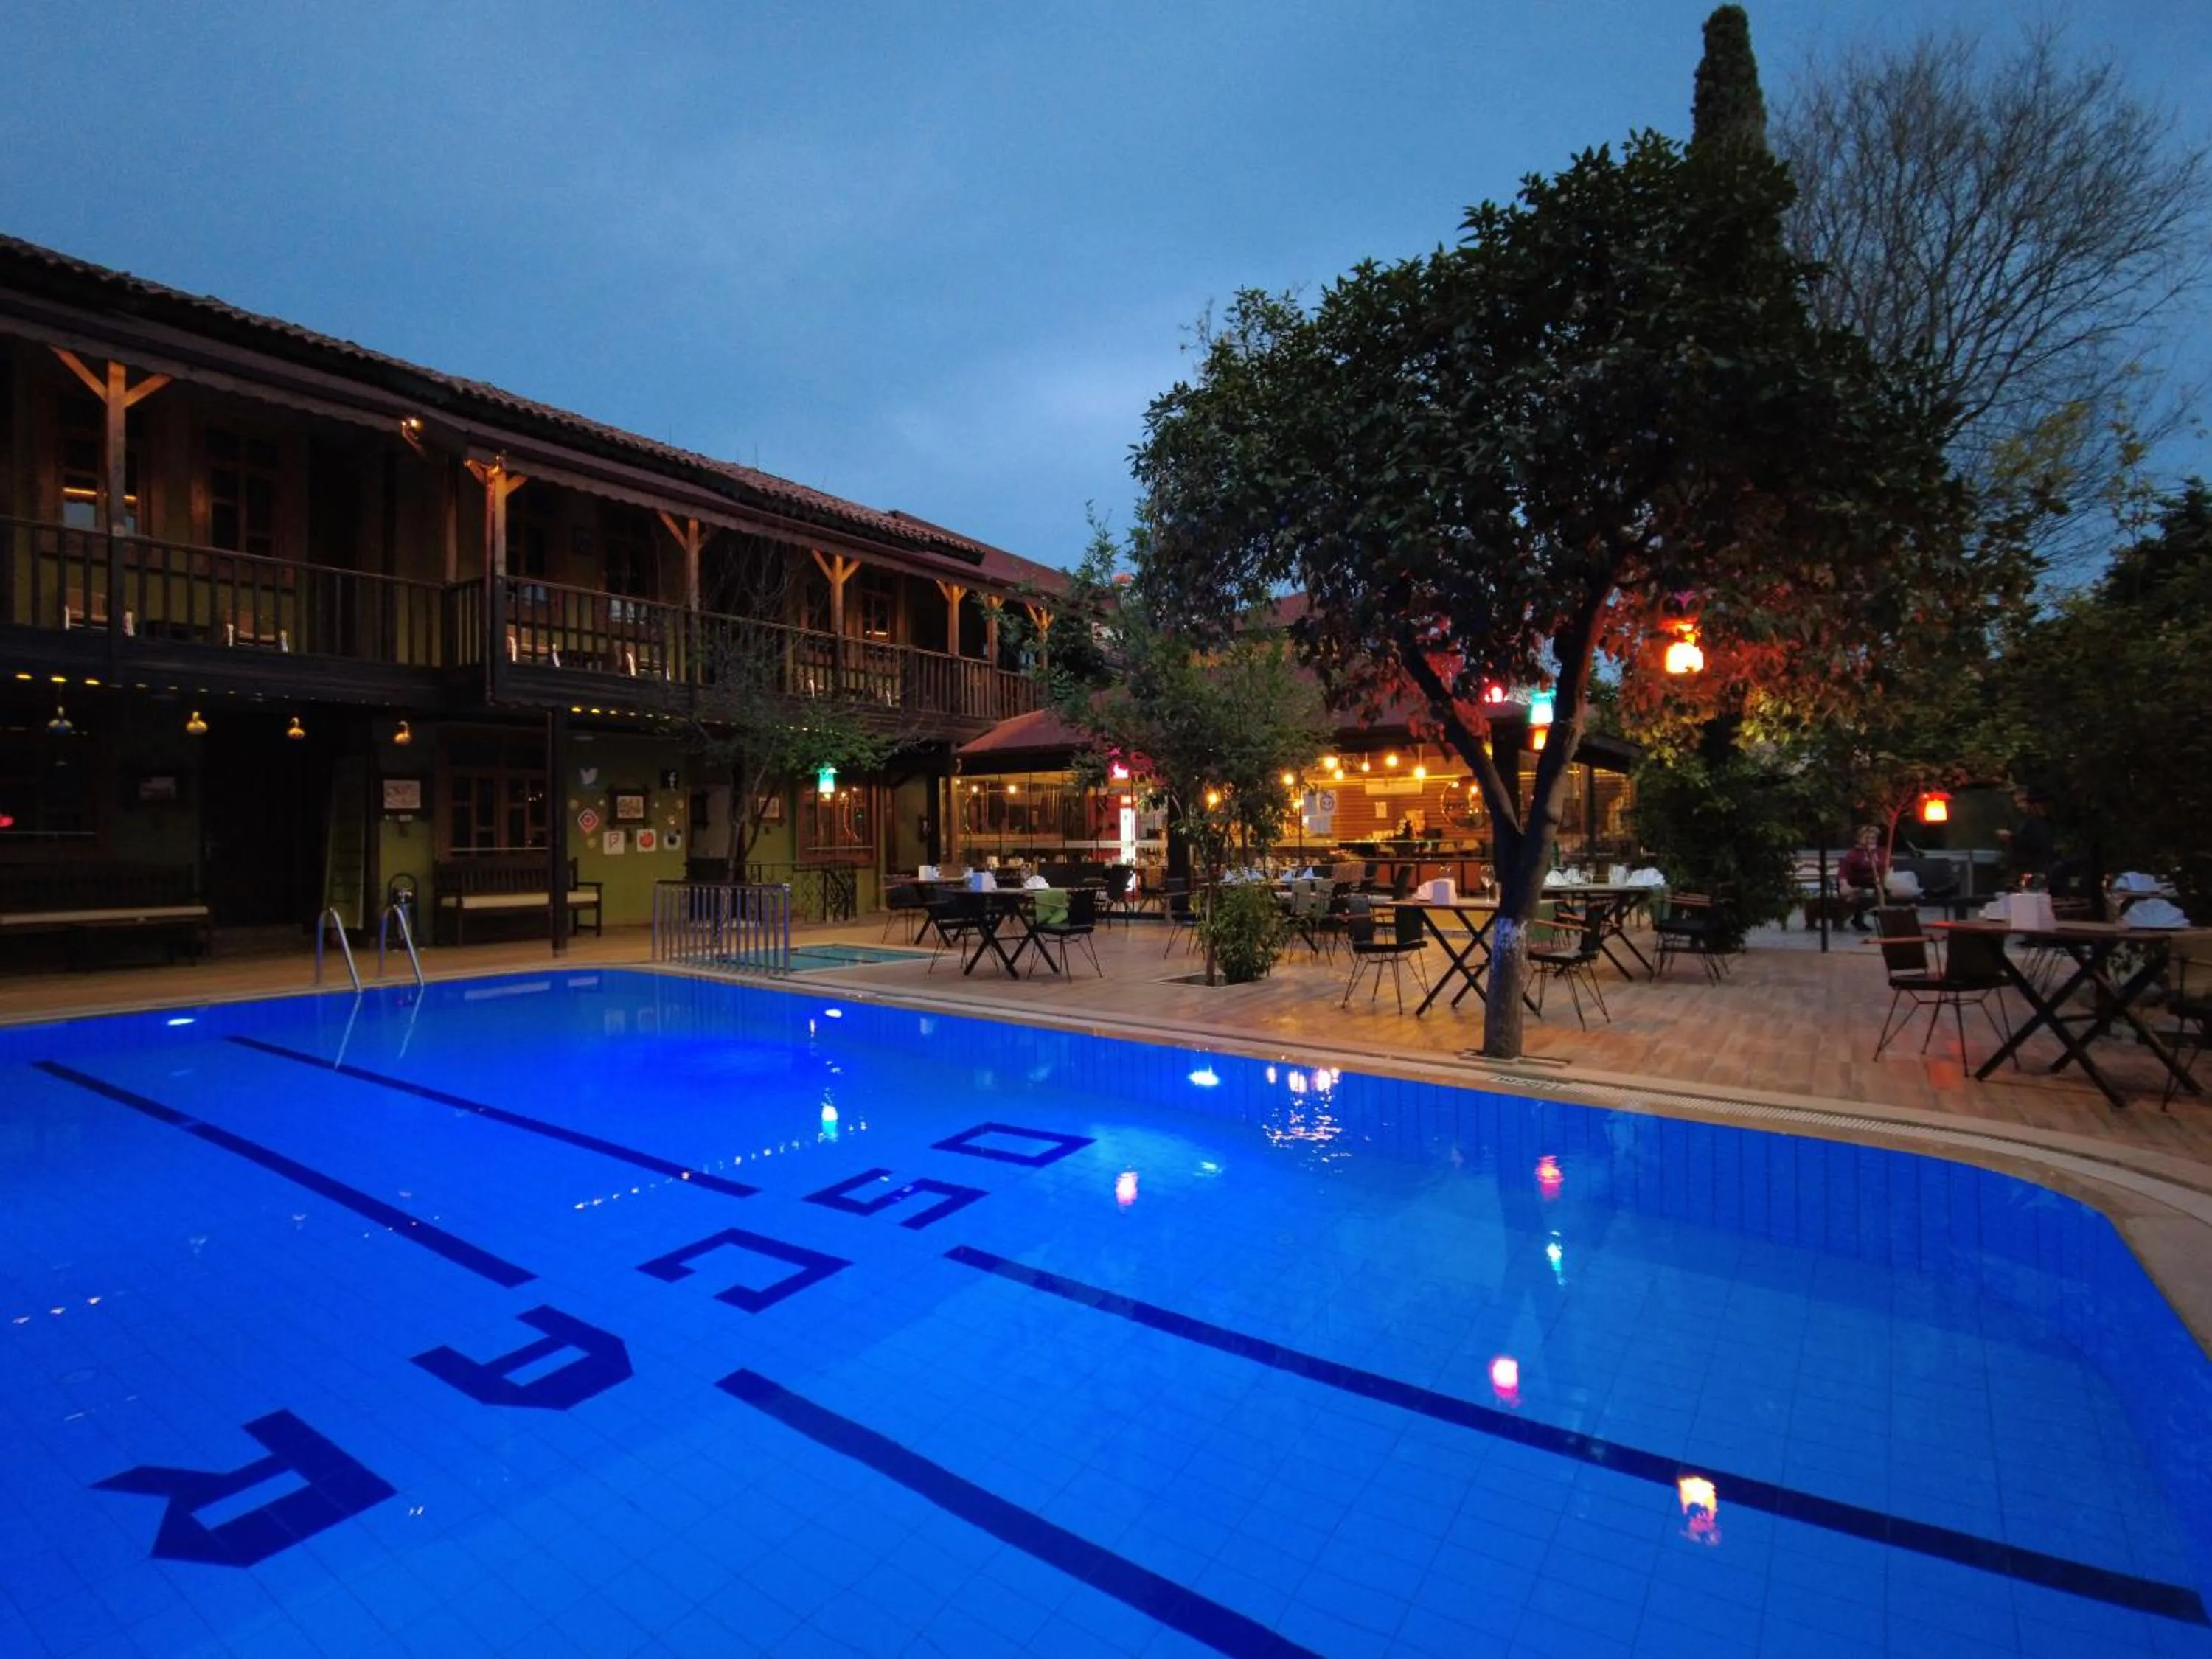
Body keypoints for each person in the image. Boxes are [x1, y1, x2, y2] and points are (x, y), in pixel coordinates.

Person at [1999, 788, 2058, 890]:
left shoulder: (2037, 824)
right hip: (2036, 868)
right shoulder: (2046, 823)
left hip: (2033, 870)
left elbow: (2034, 844)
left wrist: (2011, 838)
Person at [1837, 824, 1889, 932]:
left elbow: (1888, 868)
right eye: (1867, 838)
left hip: (1878, 884)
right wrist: (1844, 886)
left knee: (1891, 892)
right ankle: (1857, 919)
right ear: (1860, 839)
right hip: (1858, 884)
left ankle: (1889, 920)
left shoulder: (1882, 852)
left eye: (1873, 838)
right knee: (1861, 894)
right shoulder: (1854, 855)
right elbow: (1843, 873)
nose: (1871, 841)